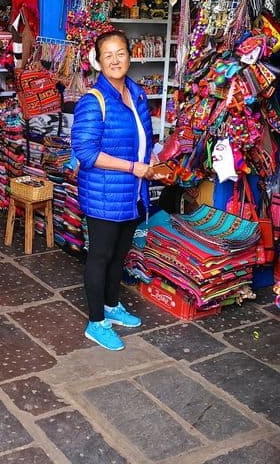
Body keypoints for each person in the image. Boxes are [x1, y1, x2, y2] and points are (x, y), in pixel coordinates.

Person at [71, 29, 158, 351]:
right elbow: (87, 152)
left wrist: (151, 159)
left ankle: (111, 304)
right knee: (101, 256)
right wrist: (132, 167)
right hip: (105, 193)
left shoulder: (136, 94)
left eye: (120, 53)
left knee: (120, 255)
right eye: (107, 55)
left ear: (130, 56)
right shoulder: (93, 101)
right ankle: (96, 322)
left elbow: (142, 137)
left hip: (133, 192)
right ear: (98, 61)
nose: (115, 60)